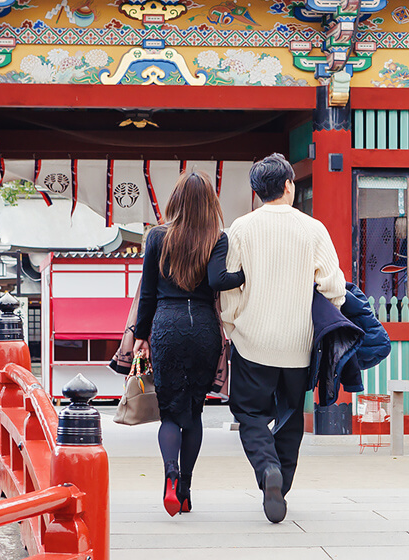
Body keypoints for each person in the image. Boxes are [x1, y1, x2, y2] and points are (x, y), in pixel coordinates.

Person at [220, 153, 345, 523]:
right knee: (291, 416)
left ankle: (266, 468)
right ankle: (281, 482)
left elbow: (229, 288)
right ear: (289, 185)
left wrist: (232, 325)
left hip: (252, 341)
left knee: (249, 413)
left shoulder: (240, 229)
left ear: (257, 192)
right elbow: (334, 288)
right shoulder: (313, 228)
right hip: (298, 345)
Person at [133, 171, 244, 517]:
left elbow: (147, 293)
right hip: (203, 329)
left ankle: (170, 475)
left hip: (166, 325)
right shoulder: (218, 238)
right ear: (210, 204)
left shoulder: (156, 237)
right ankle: (186, 491)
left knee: (169, 411)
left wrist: (140, 337)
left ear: (175, 202)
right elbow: (217, 281)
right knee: (193, 412)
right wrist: (246, 274)